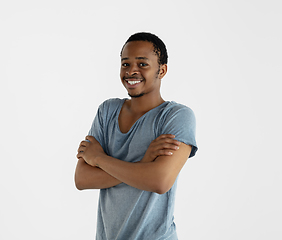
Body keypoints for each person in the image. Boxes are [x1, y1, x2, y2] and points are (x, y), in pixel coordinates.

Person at [75, 32, 198, 240]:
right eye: (125, 64)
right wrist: (143, 163)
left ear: (162, 70)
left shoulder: (176, 117)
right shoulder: (107, 111)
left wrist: (98, 159)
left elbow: (160, 181)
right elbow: (82, 178)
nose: (132, 71)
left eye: (142, 64)